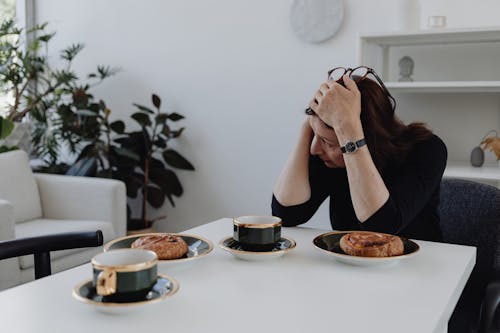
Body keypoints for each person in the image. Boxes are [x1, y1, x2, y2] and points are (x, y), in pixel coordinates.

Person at [272, 66, 447, 242]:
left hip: (420, 264)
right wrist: (308, 126)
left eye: (328, 142)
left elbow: (382, 227)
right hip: (352, 265)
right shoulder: (329, 157)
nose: (314, 149)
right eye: (315, 135)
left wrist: (348, 131)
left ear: (367, 137)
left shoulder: (427, 149)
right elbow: (286, 214)